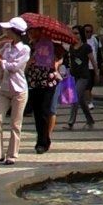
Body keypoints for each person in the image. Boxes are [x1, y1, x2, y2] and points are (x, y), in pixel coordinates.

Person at [0, 18, 29, 164]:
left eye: (8, 30)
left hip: (19, 90)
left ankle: (12, 155)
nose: (5, 32)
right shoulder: (7, 47)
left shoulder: (25, 49)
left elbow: (14, 67)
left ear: (15, 32)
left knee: (15, 124)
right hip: (4, 88)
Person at [23, 26, 65, 154]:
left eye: (32, 32)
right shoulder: (29, 46)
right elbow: (25, 63)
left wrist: (55, 63)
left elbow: (61, 57)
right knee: (37, 112)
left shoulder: (51, 44)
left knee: (45, 110)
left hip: (48, 81)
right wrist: (29, 62)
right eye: (28, 32)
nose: (29, 34)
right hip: (34, 81)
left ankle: (42, 142)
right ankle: (43, 138)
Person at [65, 24, 98, 129]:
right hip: (74, 76)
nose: (74, 35)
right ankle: (90, 120)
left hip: (84, 76)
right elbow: (70, 61)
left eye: (76, 33)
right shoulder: (71, 47)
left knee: (75, 98)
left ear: (81, 34)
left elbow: (93, 61)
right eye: (73, 33)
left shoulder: (86, 47)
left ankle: (71, 122)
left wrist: (97, 73)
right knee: (81, 101)